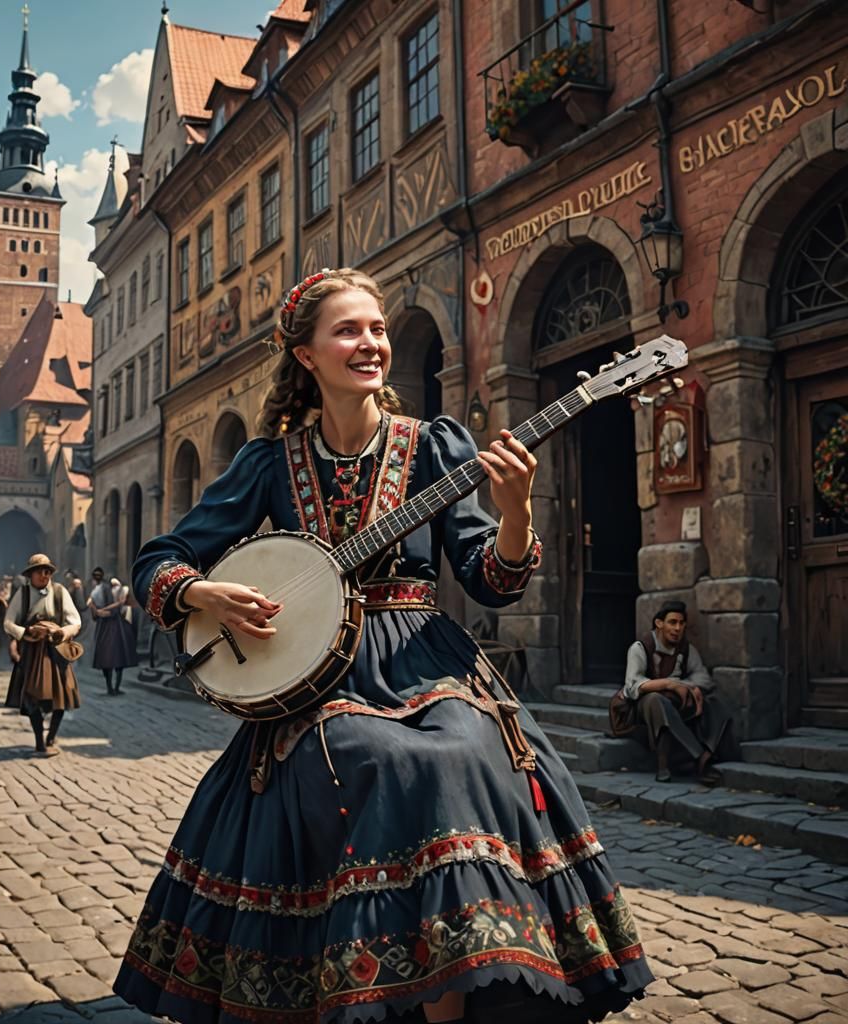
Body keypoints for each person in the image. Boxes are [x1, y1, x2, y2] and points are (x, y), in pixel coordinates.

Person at [113, 269, 652, 1024]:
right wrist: (202, 594)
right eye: (348, 330)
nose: (370, 343)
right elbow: (160, 557)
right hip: (313, 679)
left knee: (458, 749)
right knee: (370, 755)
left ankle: (449, 1002)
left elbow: (492, 579)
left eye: (377, 328)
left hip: (423, 658)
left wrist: (516, 512)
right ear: (305, 355)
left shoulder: (434, 445)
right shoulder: (269, 463)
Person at [622, 600, 735, 784]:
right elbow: (633, 686)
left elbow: (704, 678)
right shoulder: (640, 648)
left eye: (681, 623)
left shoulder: (686, 649)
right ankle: (691, 758)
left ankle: (709, 751)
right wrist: (668, 684)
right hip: (641, 707)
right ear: (659, 623)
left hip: (676, 701)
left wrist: (686, 686)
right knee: (655, 701)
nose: (677, 628)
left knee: (715, 701)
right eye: (672, 622)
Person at [3, 553, 82, 757]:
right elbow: (8, 623)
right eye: (40, 571)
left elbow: (75, 621)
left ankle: (51, 737)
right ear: (31, 574)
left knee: (62, 695)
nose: (44, 575)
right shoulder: (23, 594)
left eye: (48, 572)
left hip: (56, 651)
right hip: (32, 651)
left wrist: (62, 632)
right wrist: (27, 632)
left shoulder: (59, 592)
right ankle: (39, 740)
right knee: (31, 697)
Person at [88, 568, 137, 696]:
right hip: (109, 627)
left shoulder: (112, 591)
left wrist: (101, 612)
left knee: (117, 658)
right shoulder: (100, 591)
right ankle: (111, 688)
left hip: (114, 627)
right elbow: (96, 613)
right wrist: (98, 612)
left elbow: (118, 607)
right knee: (109, 659)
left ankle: (114, 687)